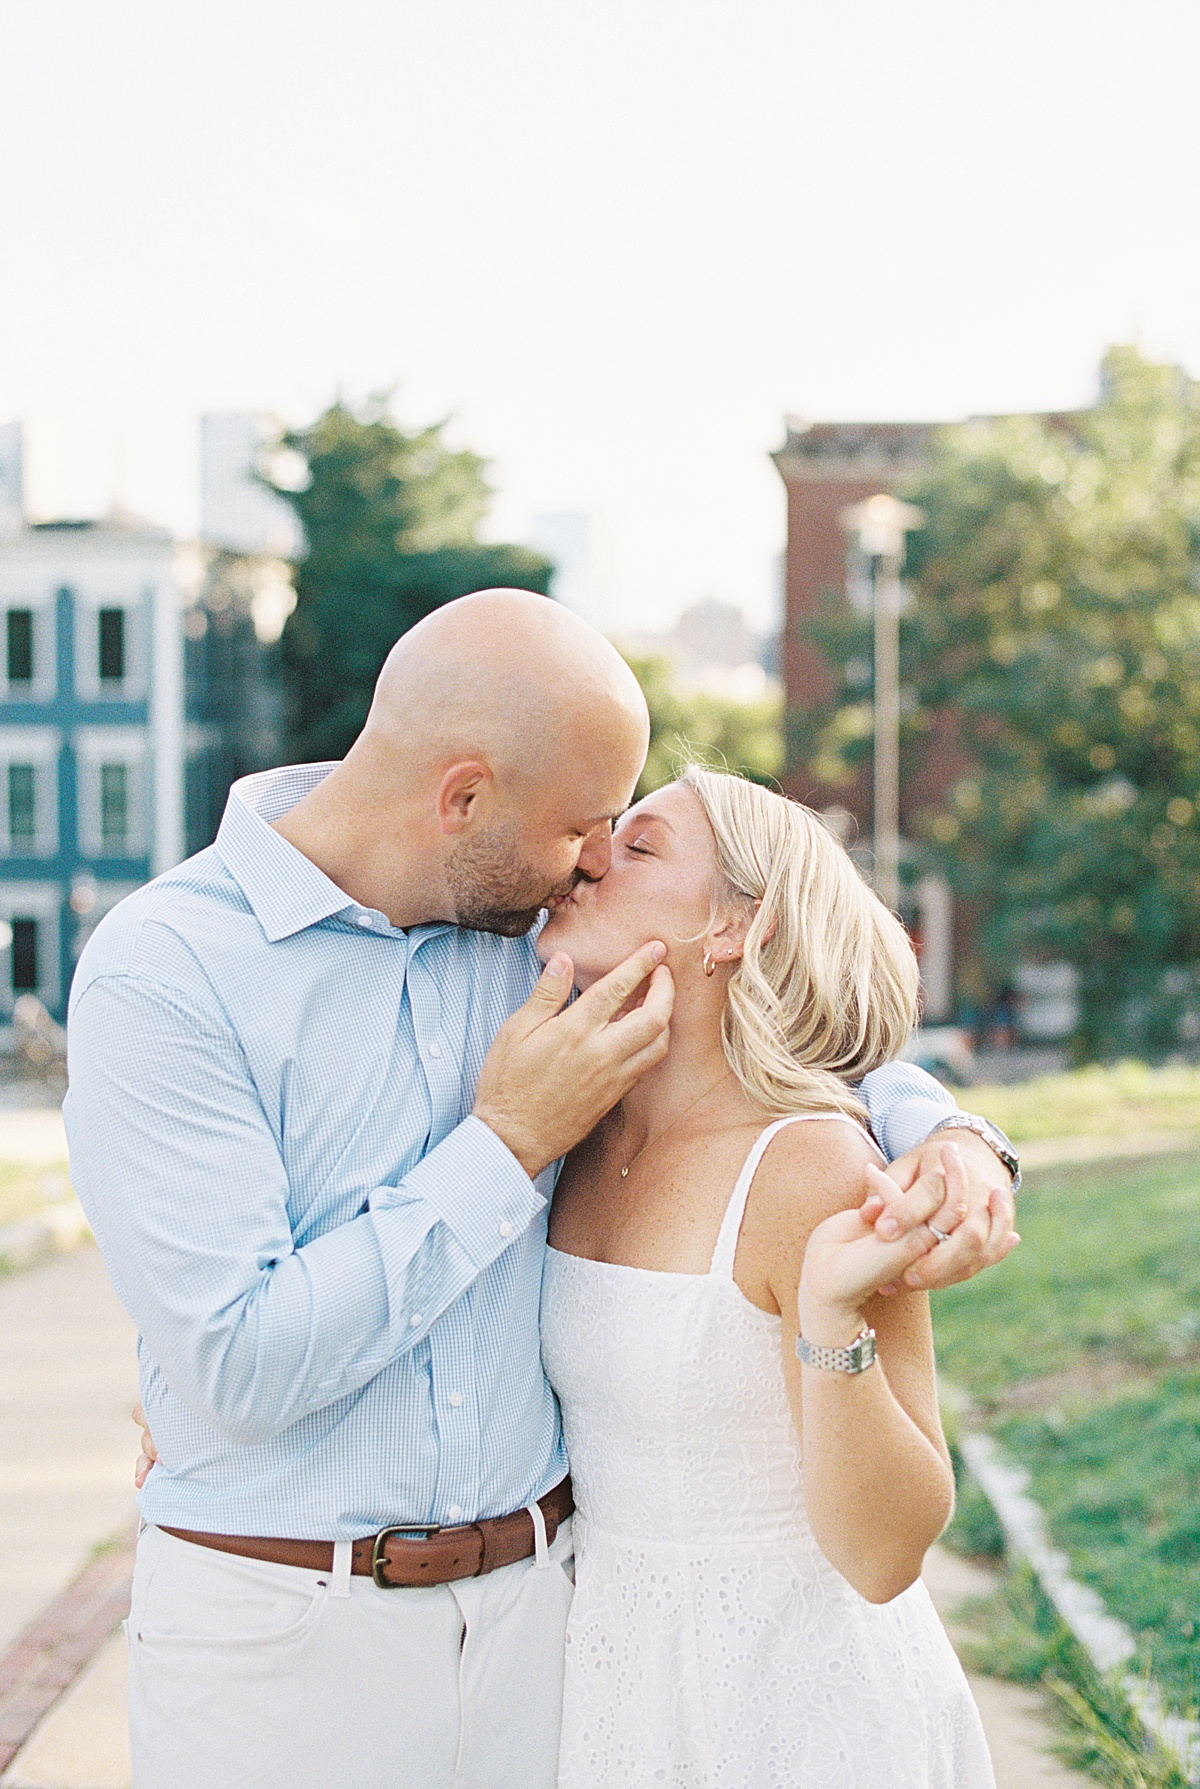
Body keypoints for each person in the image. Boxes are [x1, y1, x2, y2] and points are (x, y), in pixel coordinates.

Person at [68, 590, 1017, 1789]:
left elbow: (779, 1021)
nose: (592, 861)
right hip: (280, 1640)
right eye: (584, 828)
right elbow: (238, 1364)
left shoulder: (522, 928)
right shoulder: (167, 975)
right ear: (463, 799)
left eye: (623, 837)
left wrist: (953, 1131)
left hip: (546, 1633)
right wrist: (504, 1142)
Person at [539, 766, 999, 1786]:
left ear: (734, 929)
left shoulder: (814, 1168)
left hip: (803, 1703)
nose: (590, 855)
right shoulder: (570, 1132)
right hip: (616, 1685)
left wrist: (833, 1313)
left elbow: (887, 1554)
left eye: (642, 845)